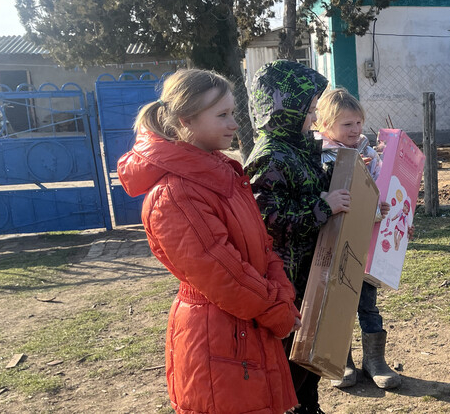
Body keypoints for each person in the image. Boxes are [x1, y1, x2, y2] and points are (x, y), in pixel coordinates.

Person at [117, 69, 300, 414]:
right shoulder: (175, 193)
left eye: (233, 113)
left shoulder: (221, 173)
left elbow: (261, 246)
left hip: (244, 324)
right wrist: (276, 307)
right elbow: (221, 273)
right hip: (218, 333)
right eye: (222, 115)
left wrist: (281, 292)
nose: (234, 124)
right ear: (186, 120)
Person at [245, 60, 351, 414]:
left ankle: (309, 405)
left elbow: (312, 187)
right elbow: (268, 218)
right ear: (283, 109)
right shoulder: (270, 156)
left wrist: (339, 177)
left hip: (311, 268)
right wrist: (323, 209)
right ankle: (291, 406)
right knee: (293, 355)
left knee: (312, 352)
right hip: (289, 276)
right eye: (308, 109)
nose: (312, 116)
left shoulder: (297, 148)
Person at [314, 87, 402, 390]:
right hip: (333, 242)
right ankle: (342, 360)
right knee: (338, 303)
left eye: (358, 123)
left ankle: (375, 361)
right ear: (324, 125)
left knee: (368, 304)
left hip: (363, 242)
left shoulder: (368, 153)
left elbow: (378, 190)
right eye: (346, 124)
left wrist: (381, 205)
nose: (355, 130)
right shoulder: (318, 157)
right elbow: (319, 197)